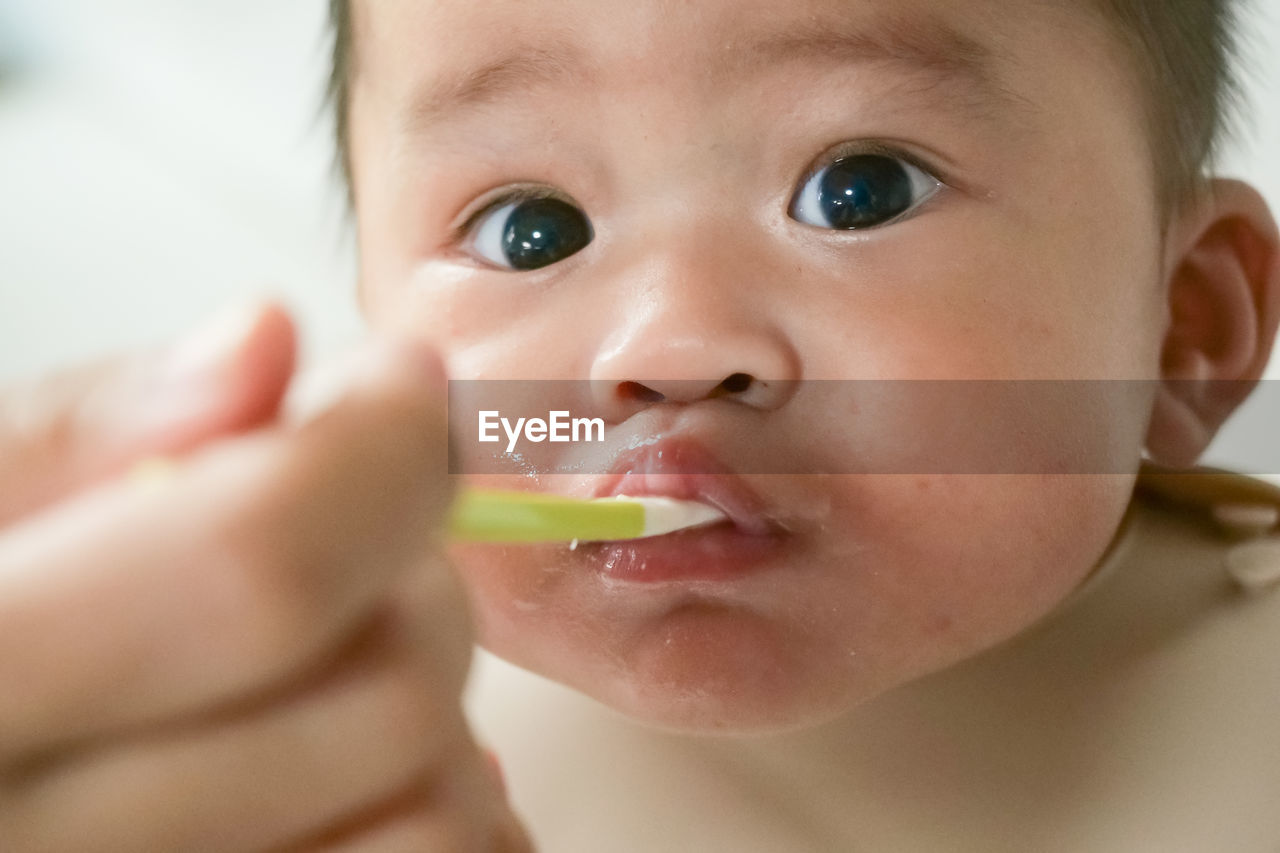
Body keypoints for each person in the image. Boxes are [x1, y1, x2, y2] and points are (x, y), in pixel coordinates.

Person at [2, 0, 1280, 848]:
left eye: (858, 189)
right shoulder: (328, 715)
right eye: (530, 228)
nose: (665, 347)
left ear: (1182, 325)